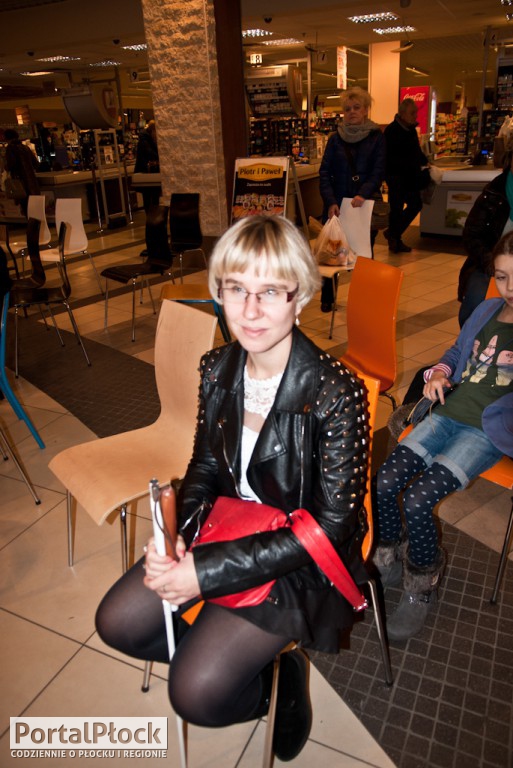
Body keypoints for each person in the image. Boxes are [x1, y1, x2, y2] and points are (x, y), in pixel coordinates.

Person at [95, 215, 370, 761]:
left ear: (300, 296)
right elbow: (203, 467)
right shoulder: (218, 367)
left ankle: (276, 682)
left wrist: (204, 572)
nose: (249, 311)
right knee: (117, 623)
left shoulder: (337, 391)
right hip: (227, 526)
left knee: (196, 695)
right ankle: (244, 661)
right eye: (235, 289)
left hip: (300, 557)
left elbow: (331, 527)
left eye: (270, 291)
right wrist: (177, 538)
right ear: (218, 292)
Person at [372, 230, 513, 641]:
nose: (509, 288)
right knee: (385, 481)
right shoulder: (487, 309)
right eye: (502, 277)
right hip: (447, 412)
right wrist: (439, 373)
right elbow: (455, 352)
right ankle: (388, 555)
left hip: (485, 432)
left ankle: (422, 585)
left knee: (418, 499)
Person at [319, 86, 386, 311]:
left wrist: (363, 193)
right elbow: (324, 172)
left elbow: (378, 170)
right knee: (333, 253)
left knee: (363, 254)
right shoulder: (335, 139)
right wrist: (330, 201)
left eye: (357, 107)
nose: (352, 112)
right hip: (337, 206)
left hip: (363, 205)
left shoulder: (376, 137)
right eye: (347, 109)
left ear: (365, 109)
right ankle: (328, 298)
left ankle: (362, 300)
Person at [458, 146, 513, 327]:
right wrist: (490, 261)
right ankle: (472, 343)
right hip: (490, 264)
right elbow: (471, 234)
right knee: (472, 309)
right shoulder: (494, 191)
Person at [383, 98, 429, 254]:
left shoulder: (410, 130)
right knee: (396, 209)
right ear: (402, 114)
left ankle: (393, 233)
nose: (415, 116)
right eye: (412, 113)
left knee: (415, 205)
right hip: (396, 178)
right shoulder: (392, 131)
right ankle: (395, 239)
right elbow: (390, 157)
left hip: (410, 178)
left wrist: (425, 161)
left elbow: (416, 152)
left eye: (416, 112)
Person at [133, 120, 166, 258]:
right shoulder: (144, 141)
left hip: (150, 181)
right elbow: (151, 154)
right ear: (153, 131)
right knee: (151, 210)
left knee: (153, 210)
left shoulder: (147, 140)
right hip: (147, 181)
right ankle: (153, 244)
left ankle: (155, 243)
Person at [3, 128, 40, 217]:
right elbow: (36, 163)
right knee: (34, 208)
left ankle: (31, 224)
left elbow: (11, 165)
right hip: (32, 182)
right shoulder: (25, 147)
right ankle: (38, 224)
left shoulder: (10, 148)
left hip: (20, 183)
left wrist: (5, 167)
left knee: (26, 208)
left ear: (7, 138)